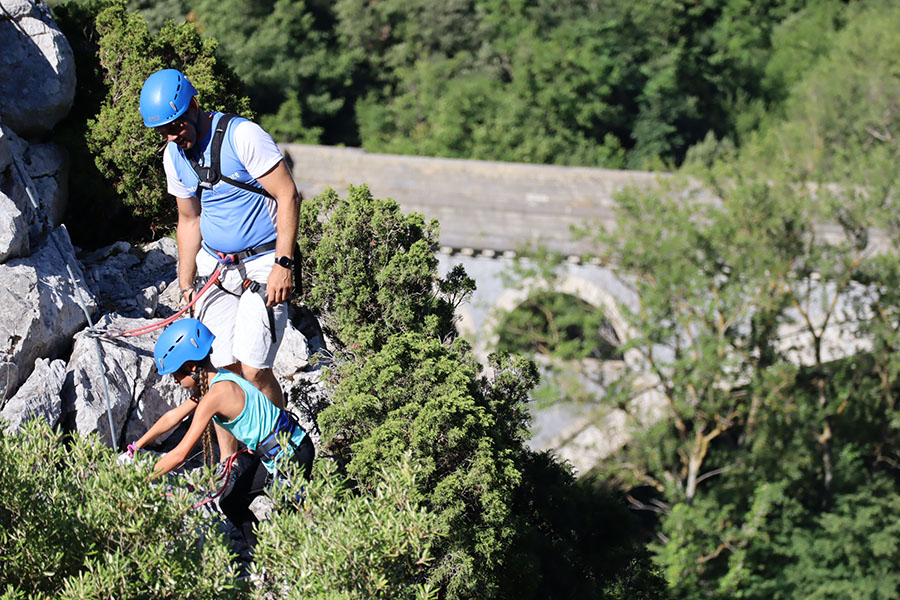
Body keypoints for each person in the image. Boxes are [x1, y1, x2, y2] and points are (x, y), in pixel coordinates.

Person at [139, 68, 302, 458]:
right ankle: (231, 467)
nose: (174, 136)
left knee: (253, 369)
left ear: (194, 106)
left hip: (263, 261)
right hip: (217, 267)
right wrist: (185, 285)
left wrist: (284, 262)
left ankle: (281, 452)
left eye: (177, 126)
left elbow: (288, 195)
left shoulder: (242, 136)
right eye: (164, 131)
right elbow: (188, 219)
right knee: (218, 374)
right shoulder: (174, 157)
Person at [129, 318, 314, 549]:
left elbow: (179, 454)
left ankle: (286, 567)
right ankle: (259, 555)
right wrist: (137, 446)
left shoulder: (214, 396)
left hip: (291, 454)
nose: (175, 380)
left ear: (192, 367)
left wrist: (137, 481)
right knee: (231, 502)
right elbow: (173, 417)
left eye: (176, 374)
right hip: (282, 452)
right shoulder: (217, 380)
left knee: (289, 527)